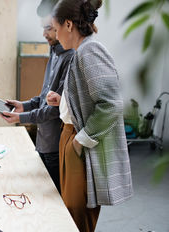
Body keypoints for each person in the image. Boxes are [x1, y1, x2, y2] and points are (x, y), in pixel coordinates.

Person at [46, 0, 133, 231]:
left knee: (77, 218)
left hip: (78, 141)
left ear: (68, 25)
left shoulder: (90, 50)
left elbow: (111, 104)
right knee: (70, 213)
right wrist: (63, 100)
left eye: (55, 29)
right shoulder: (80, 51)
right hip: (69, 136)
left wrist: (80, 141)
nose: (55, 35)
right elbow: (88, 95)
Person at [0, 0, 74, 194]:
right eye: (44, 28)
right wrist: (23, 105)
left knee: (54, 204)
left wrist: (20, 118)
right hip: (43, 141)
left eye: (49, 28)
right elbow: (45, 97)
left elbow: (54, 109)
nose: (45, 34)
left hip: (55, 146)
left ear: (63, 25)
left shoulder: (70, 58)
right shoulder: (54, 52)